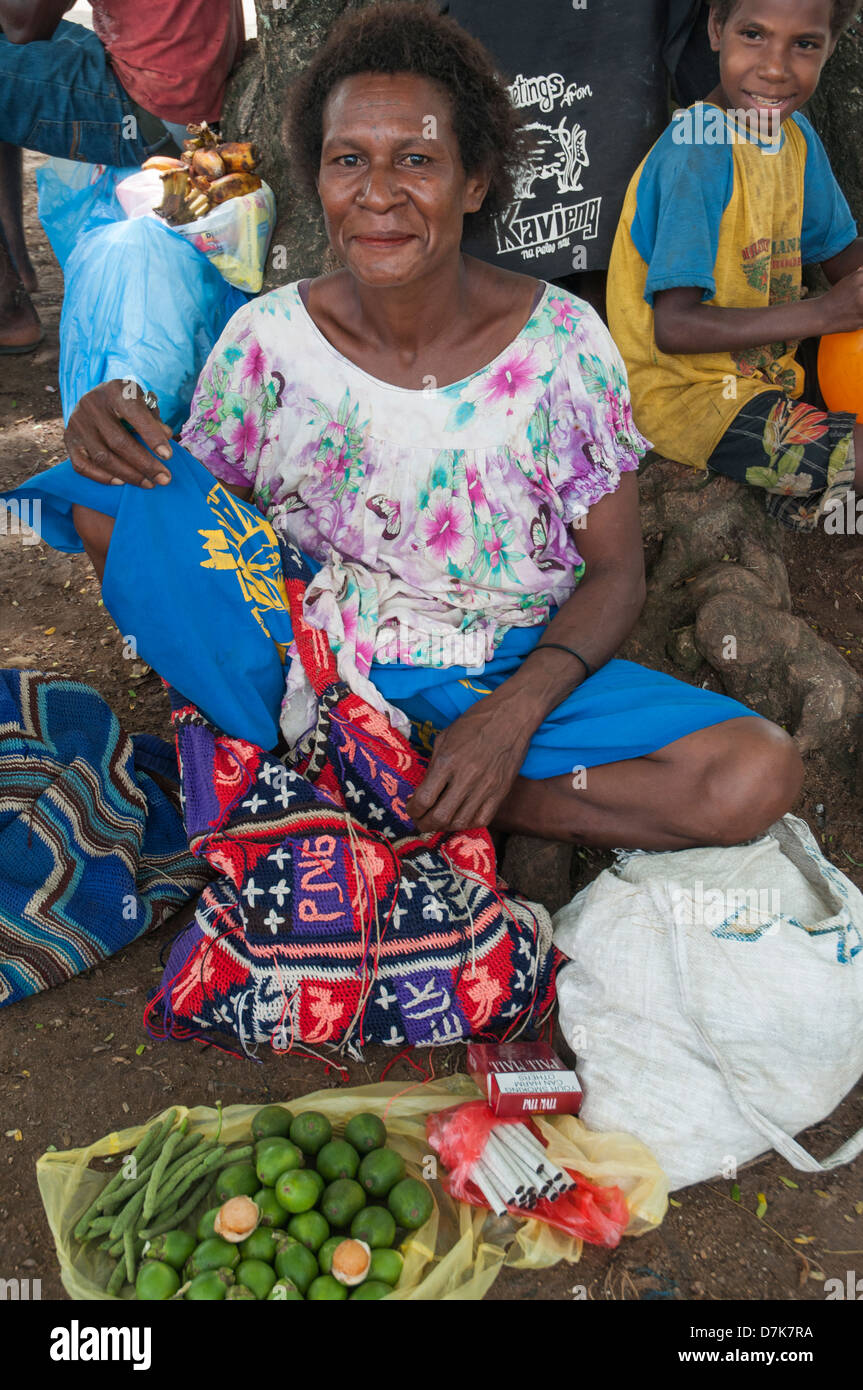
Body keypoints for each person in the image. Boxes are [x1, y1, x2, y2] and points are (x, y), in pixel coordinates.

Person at [60, 0, 802, 852]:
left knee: (753, 772)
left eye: (416, 159)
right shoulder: (267, 339)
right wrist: (116, 414)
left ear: (474, 179)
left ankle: (393, 781)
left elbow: (615, 575)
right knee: (104, 498)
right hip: (310, 665)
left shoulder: (561, 342)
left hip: (504, 665)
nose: (379, 194)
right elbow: (189, 524)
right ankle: (359, 758)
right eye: (349, 161)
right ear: (319, 176)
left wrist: (507, 720)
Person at [608, 0, 863, 532]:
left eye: (805, 44)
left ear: (831, 48)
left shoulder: (796, 139)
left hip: (770, 380)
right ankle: (807, 489)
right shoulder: (695, 152)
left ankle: (797, 499)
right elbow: (675, 328)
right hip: (687, 397)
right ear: (716, 29)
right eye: (754, 34)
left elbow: (844, 261)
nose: (775, 67)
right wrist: (825, 313)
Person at [0, 0, 245, 352]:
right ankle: (16, 276)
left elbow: (23, 26)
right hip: (189, 92)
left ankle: (8, 310)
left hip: (154, 110)